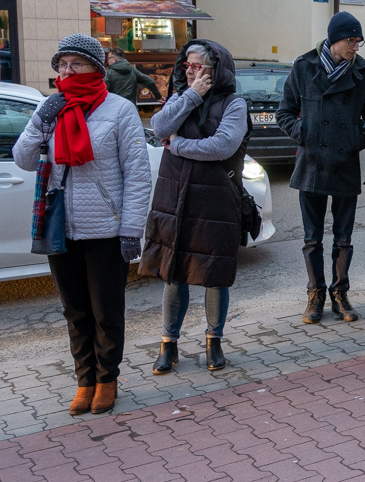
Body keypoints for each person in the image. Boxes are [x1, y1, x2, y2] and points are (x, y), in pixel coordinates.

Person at [13, 34, 151, 415]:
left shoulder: (120, 110)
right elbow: (23, 159)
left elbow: (138, 176)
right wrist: (41, 117)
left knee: (106, 310)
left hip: (107, 229)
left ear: (97, 68)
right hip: (61, 227)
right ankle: (84, 381)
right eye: (62, 64)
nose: (67, 71)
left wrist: (131, 229)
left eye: (76, 63)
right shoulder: (50, 107)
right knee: (75, 310)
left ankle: (108, 380)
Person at [141, 40, 249, 374]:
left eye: (198, 66)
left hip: (215, 198)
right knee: (174, 273)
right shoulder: (180, 97)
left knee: (215, 273)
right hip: (174, 198)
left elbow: (222, 146)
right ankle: (168, 344)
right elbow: (158, 127)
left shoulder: (234, 104)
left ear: (216, 69)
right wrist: (190, 96)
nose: (190, 71)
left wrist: (178, 145)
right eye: (187, 65)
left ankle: (213, 342)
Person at [276, 12, 365, 325]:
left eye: (358, 41)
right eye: (352, 40)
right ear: (335, 38)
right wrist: (305, 134)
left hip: (345, 162)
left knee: (343, 237)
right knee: (312, 238)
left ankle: (340, 294)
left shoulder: (362, 73)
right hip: (311, 163)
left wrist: (354, 139)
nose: (356, 46)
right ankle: (315, 294)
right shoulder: (304, 67)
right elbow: (284, 112)